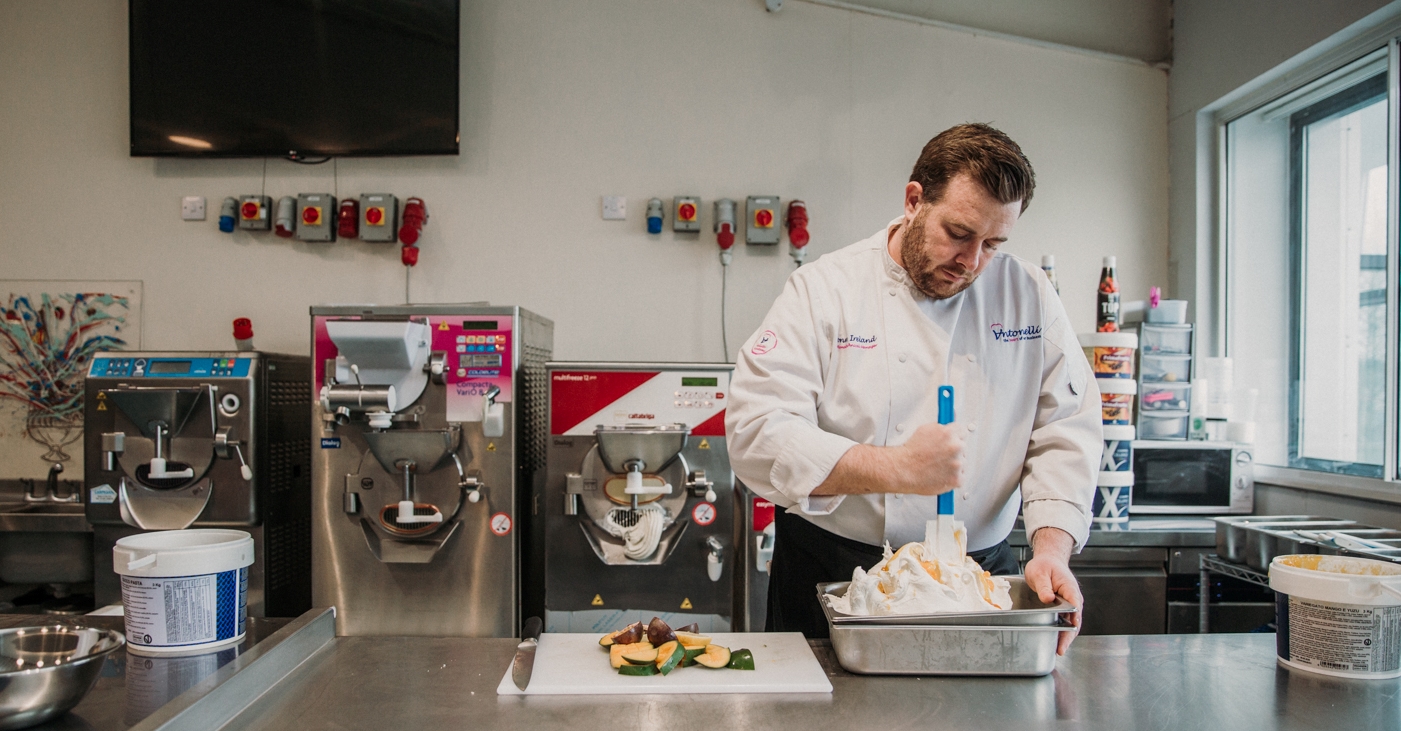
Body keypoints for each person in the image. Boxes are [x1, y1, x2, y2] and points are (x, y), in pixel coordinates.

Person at [725, 123, 1099, 655]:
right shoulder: (825, 289)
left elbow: (1067, 426)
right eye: (960, 233)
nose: (972, 263)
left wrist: (1052, 549)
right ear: (914, 200)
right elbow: (756, 432)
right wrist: (896, 468)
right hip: (832, 568)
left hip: (978, 576)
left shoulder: (1028, 295)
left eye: (993, 243)